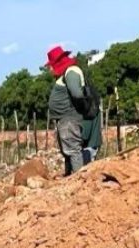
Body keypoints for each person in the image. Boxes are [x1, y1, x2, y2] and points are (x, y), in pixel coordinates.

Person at [46, 45, 103, 176]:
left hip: (69, 119)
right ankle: (70, 175)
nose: (50, 69)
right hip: (65, 119)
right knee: (68, 151)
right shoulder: (67, 73)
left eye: (51, 65)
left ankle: (79, 177)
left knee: (73, 150)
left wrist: (81, 107)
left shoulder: (71, 71)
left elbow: (76, 94)